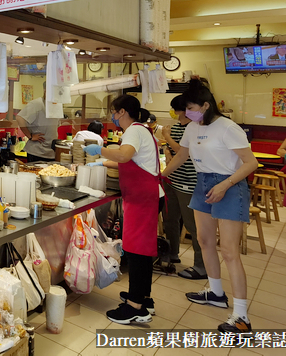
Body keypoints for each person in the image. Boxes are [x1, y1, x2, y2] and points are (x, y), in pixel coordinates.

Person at [161, 80, 258, 333]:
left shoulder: (228, 128)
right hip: (203, 182)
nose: (188, 113)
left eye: (191, 107)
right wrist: (160, 176)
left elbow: (251, 163)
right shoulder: (193, 127)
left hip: (230, 185)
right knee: (204, 241)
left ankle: (241, 317)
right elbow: (182, 156)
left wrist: (225, 185)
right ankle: (215, 293)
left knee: (229, 252)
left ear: (206, 105)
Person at [83, 95, 161, 325]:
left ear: (123, 112)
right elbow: (130, 161)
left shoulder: (134, 131)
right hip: (145, 196)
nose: (113, 116)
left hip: (142, 199)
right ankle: (144, 299)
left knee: (137, 251)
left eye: (114, 112)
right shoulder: (141, 130)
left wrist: (101, 150)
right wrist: (102, 163)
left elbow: (124, 155)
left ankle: (135, 307)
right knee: (142, 251)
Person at [162, 95, 207, 280]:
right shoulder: (178, 127)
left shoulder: (194, 128)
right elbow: (173, 151)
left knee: (193, 225)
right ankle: (172, 253)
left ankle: (201, 266)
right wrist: (166, 147)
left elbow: (183, 153)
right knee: (170, 219)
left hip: (189, 183)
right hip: (172, 179)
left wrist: (166, 137)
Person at [16, 82, 58, 163]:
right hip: (37, 152)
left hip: (51, 152)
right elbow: (19, 118)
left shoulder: (56, 106)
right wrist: (30, 136)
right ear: (46, 90)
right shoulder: (37, 104)